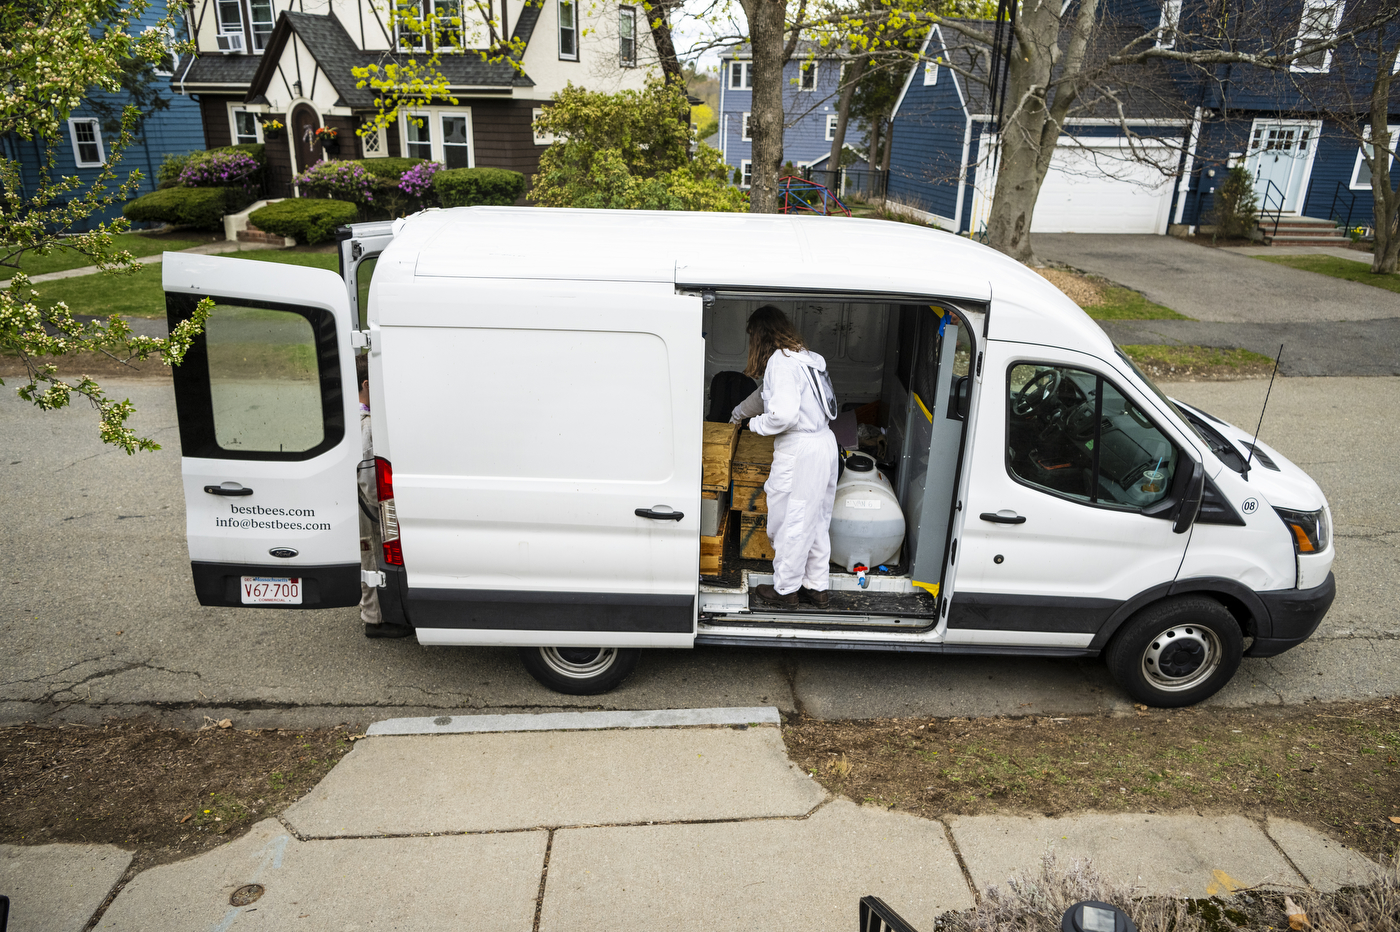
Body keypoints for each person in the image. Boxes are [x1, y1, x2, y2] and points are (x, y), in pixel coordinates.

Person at [729, 306, 839, 608]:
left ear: (760, 335)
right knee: (814, 520)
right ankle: (816, 587)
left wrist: (754, 425)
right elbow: (767, 394)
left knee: (790, 520)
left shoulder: (780, 361)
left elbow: (784, 415)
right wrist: (738, 413)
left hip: (800, 449)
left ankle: (785, 590)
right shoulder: (806, 357)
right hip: (825, 444)